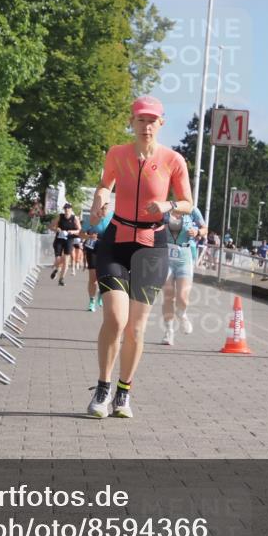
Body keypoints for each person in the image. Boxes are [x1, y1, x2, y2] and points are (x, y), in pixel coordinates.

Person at [87, 95, 192, 419]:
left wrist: (167, 205)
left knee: (135, 328)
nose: (146, 126)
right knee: (115, 319)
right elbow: (105, 185)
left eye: (152, 121)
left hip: (151, 247)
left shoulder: (173, 160)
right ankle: (102, 388)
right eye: (141, 120)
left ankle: (123, 393)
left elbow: (187, 202)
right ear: (131, 122)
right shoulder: (117, 154)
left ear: (161, 124)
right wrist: (99, 200)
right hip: (116, 241)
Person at [160, 206, 207, 345]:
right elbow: (153, 226)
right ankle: (168, 332)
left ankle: (181, 314)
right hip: (166, 255)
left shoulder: (192, 210)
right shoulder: (166, 208)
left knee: (183, 297)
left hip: (185, 257)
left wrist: (198, 231)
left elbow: (205, 229)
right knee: (168, 296)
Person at [49, 203, 80, 286]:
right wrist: (56, 229)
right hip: (59, 239)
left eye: (68, 209)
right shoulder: (60, 216)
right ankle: (56, 269)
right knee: (58, 259)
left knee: (66, 260)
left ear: (71, 210)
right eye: (65, 209)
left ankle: (61, 279)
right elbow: (51, 226)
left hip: (69, 240)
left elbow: (79, 230)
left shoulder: (74, 218)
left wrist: (72, 231)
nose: (66, 211)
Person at [81, 228, 101, 311]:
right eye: (90, 234)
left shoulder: (100, 242)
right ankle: (92, 301)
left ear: (97, 234)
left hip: (102, 262)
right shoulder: (87, 242)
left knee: (102, 281)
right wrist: (84, 264)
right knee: (93, 281)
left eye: (93, 233)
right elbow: (84, 253)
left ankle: (101, 293)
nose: (91, 235)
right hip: (92, 262)